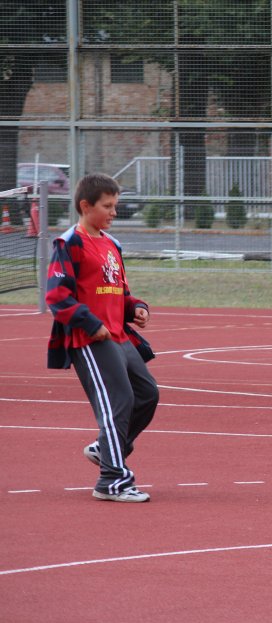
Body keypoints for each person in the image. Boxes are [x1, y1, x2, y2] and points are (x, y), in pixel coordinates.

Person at [46, 173, 159, 503]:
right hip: (91, 339)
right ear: (85, 206)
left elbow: (117, 291)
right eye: (107, 206)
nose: (113, 212)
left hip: (120, 335)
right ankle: (112, 479)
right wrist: (89, 322)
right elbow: (57, 296)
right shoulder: (71, 243)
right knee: (118, 400)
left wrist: (135, 308)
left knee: (147, 394)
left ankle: (107, 449)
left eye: (115, 206)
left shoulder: (111, 244)